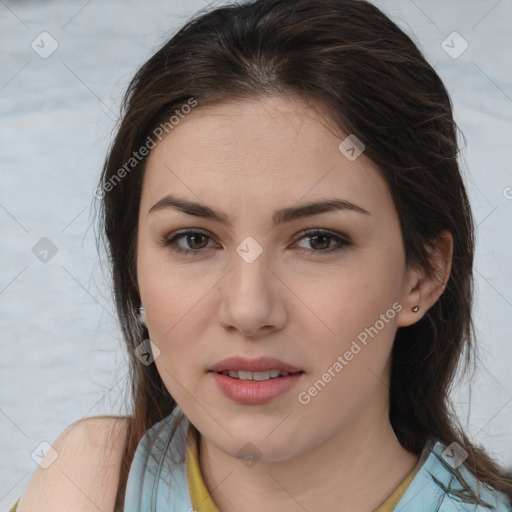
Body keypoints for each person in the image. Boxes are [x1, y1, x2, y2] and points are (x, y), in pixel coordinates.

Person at [13, 0, 512, 510]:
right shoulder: (80, 485)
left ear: (423, 275)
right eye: (194, 239)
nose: (249, 310)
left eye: (319, 240)